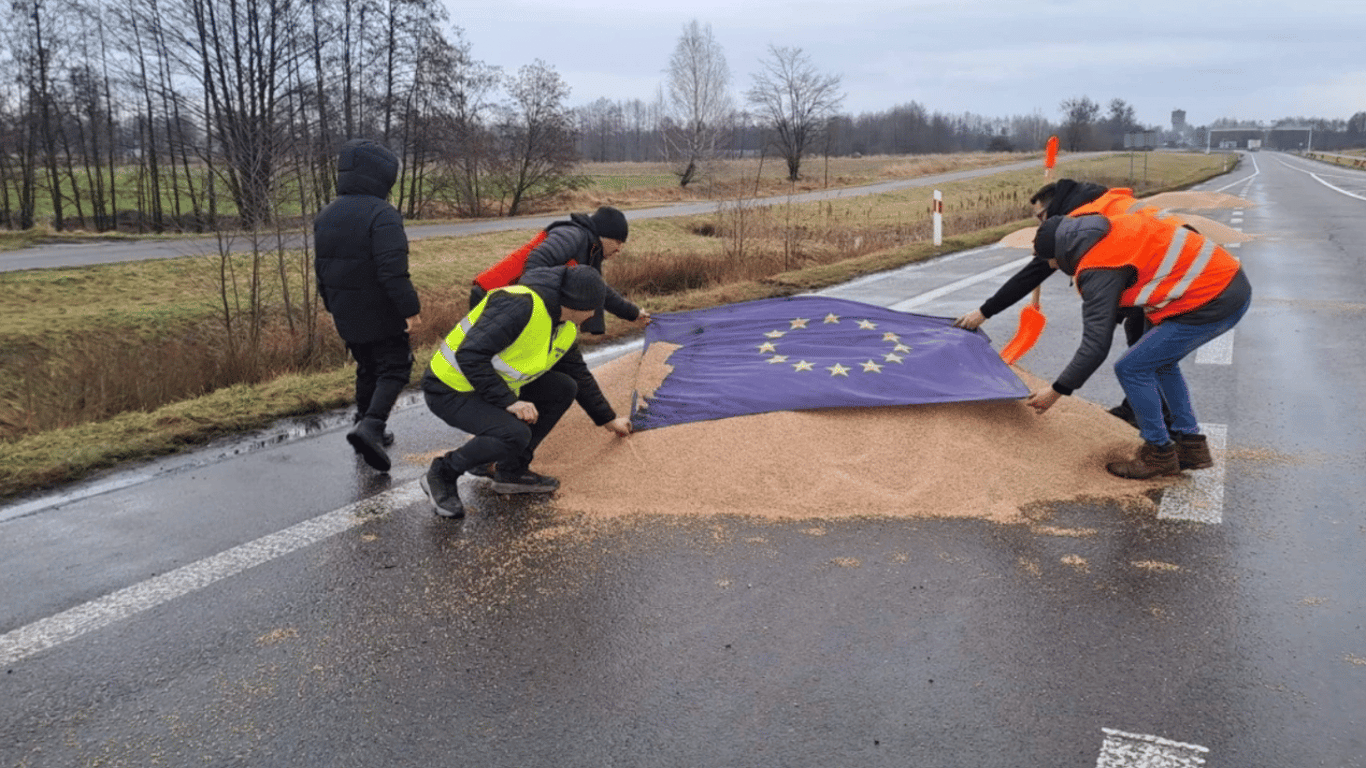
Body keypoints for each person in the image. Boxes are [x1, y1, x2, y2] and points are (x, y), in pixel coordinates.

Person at [1023, 212, 1252, 479]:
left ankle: (1159, 453)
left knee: (1131, 367)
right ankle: (1191, 446)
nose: (1051, 267)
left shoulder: (1098, 266)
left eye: (1050, 262)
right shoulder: (1107, 229)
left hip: (1211, 297)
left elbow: (1095, 345)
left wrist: (1056, 391)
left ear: (1060, 254)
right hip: (1225, 284)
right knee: (1160, 363)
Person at [420, 265, 633, 519]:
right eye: (594, 308)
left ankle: (512, 470)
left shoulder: (564, 327)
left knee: (564, 387)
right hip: (449, 386)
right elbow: (470, 354)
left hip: (487, 385)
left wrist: (608, 419)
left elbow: (578, 374)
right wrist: (509, 401)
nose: (594, 314)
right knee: (514, 434)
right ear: (578, 304)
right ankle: (443, 472)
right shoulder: (520, 305)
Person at [952, 179, 1161, 426]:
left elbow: (1035, 272)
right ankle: (1140, 409)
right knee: (1142, 344)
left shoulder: (1079, 222)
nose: (1040, 224)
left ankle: (1162, 423)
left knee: (1144, 351)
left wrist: (984, 312)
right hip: (1148, 267)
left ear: (1053, 207)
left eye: (1041, 217)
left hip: (1160, 274)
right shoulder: (1095, 203)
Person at [314, 138, 421, 473]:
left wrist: (330, 303)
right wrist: (409, 309)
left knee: (367, 366)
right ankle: (372, 427)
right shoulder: (382, 214)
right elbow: (393, 270)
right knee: (396, 366)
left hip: (343, 307)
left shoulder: (326, 213)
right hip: (380, 308)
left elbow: (321, 266)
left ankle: (363, 421)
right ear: (382, 177)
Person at [470, 205, 652, 334]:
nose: (619, 249)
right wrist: (540, 310)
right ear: (604, 235)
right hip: (492, 297)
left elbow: (597, 290)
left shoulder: (589, 251)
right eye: (618, 242)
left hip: (510, 303)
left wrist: (633, 313)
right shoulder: (572, 235)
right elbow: (536, 263)